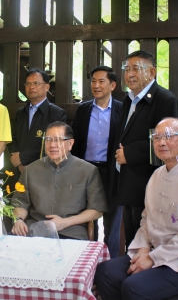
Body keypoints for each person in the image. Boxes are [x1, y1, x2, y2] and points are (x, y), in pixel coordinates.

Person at [95, 118, 178, 300]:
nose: (161, 142)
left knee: (133, 286)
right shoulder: (156, 175)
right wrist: (144, 249)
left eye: (169, 136)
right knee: (106, 271)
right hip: (153, 250)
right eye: (156, 137)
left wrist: (154, 258)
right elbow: (146, 219)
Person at [113, 50, 178, 248]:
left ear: (152, 73)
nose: (130, 74)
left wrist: (130, 153)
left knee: (147, 246)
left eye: (137, 68)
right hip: (129, 185)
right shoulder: (128, 100)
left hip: (151, 186)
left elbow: (171, 143)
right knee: (132, 243)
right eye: (127, 69)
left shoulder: (165, 100)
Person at [11, 121, 108, 240]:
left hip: (72, 232)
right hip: (35, 232)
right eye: (48, 140)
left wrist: (66, 222)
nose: (52, 145)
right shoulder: (30, 170)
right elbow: (20, 202)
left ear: (70, 143)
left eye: (57, 140)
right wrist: (19, 220)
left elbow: (97, 210)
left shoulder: (88, 170)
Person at [71, 66, 123, 257]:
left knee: (112, 223)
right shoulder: (83, 109)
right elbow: (76, 142)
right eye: (93, 81)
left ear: (113, 85)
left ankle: (110, 266)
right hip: (86, 171)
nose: (96, 85)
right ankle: (86, 261)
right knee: (85, 218)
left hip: (112, 171)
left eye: (101, 81)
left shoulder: (122, 109)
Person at [8, 68, 66, 174]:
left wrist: (23, 158)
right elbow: (12, 139)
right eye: (28, 84)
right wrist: (19, 161)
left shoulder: (56, 113)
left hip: (44, 171)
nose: (32, 87)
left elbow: (54, 144)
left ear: (47, 87)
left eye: (36, 83)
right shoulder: (20, 112)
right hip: (19, 170)